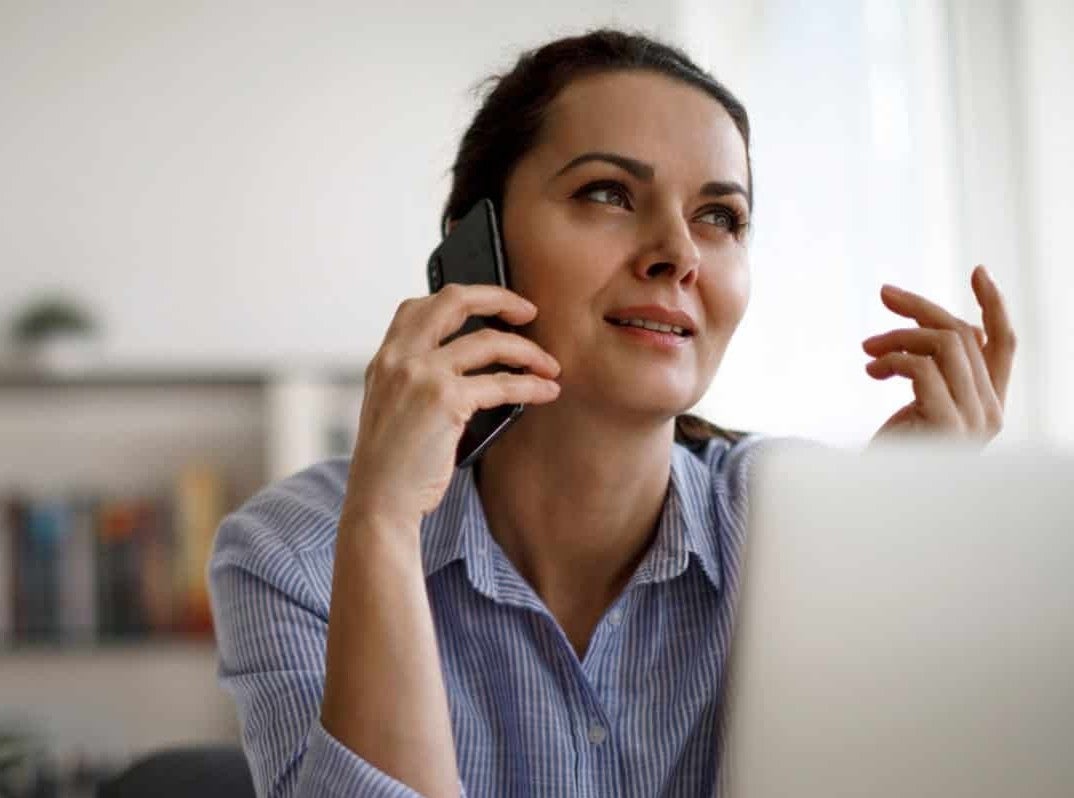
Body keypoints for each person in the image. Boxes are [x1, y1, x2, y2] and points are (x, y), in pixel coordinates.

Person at [208, 29, 1017, 798]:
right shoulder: (296, 553)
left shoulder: (799, 526)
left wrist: (890, 558)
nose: (680, 253)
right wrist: (384, 525)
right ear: (474, 250)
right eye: (608, 193)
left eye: (720, 216)